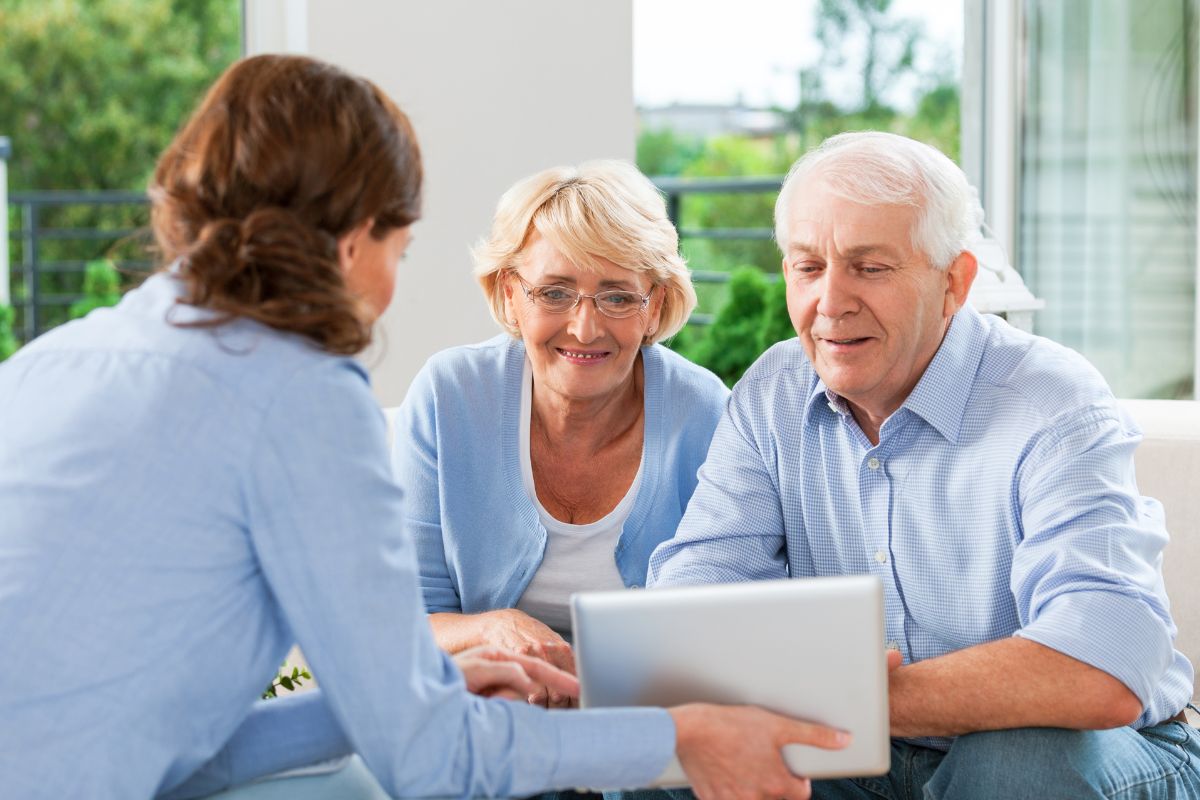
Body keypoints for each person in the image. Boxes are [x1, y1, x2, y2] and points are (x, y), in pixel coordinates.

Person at [0, 54, 851, 800]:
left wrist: (415, 689)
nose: (388, 287)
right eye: (398, 252)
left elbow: (185, 755)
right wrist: (685, 739)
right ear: (349, 244)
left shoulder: (53, 361)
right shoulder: (298, 395)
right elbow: (434, 763)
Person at [647, 131, 1200, 799]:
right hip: (861, 755)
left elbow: (1106, 662)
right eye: (808, 266)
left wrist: (853, 695)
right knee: (665, 758)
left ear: (954, 283)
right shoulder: (773, 391)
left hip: (1086, 748)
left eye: (869, 267)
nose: (830, 302)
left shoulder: (1050, 402)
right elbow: (692, 600)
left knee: (1011, 770)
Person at [391, 161, 728, 706]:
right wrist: (490, 628)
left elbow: (725, 620)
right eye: (553, 292)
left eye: (617, 296)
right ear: (510, 294)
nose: (584, 327)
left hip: (648, 720)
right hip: (493, 712)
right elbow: (407, 618)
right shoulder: (448, 395)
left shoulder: (705, 411)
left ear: (655, 306)